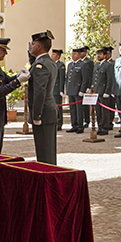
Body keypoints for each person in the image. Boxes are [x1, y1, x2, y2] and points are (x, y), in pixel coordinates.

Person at [28, 31, 58, 164]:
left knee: (44, 153)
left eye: (33, 44)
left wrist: (36, 115)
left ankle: (48, 180)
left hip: (44, 113)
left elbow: (40, 92)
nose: (30, 46)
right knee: (48, 151)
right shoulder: (48, 62)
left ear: (39, 47)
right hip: (49, 111)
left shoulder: (41, 65)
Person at [92, 47, 114, 134]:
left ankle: (105, 128)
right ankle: (100, 126)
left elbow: (109, 79)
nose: (98, 56)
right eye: (98, 54)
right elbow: (95, 78)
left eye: (100, 54)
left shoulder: (108, 65)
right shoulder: (96, 65)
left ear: (105, 55)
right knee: (98, 111)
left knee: (104, 111)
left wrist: (107, 92)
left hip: (103, 91)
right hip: (97, 91)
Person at [65, 48, 85, 133]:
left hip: (78, 90)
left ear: (79, 55)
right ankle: (74, 125)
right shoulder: (70, 65)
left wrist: (82, 90)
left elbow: (85, 78)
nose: (73, 55)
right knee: (72, 109)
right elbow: (67, 78)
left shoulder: (83, 65)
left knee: (79, 109)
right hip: (71, 89)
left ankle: (80, 125)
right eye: (72, 54)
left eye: (75, 54)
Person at [51, 49, 66, 131]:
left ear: (58, 56)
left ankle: (59, 123)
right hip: (51, 89)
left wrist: (61, 90)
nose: (51, 56)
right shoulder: (52, 64)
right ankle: (54, 122)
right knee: (53, 107)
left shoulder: (60, 65)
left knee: (58, 107)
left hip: (57, 89)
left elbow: (61, 78)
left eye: (53, 55)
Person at [80, 46, 94, 128]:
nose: (81, 54)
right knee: (80, 105)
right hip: (79, 86)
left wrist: (89, 86)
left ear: (85, 53)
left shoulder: (88, 62)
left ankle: (86, 120)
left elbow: (90, 75)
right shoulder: (79, 62)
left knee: (85, 105)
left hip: (86, 86)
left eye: (82, 52)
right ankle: (81, 120)